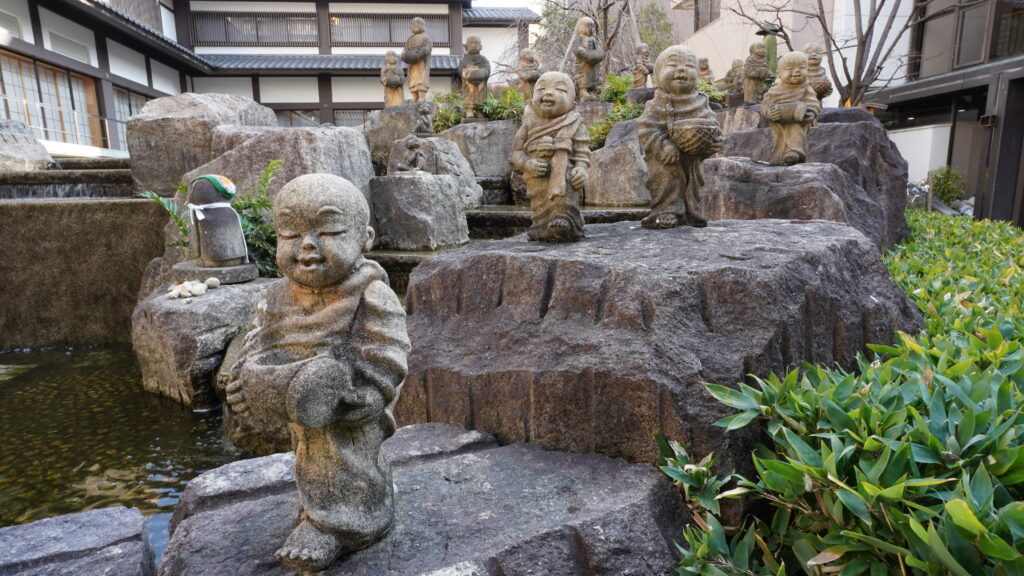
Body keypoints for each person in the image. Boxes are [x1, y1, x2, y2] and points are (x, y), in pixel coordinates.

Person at [224, 174, 409, 572]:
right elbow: (253, 343)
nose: (307, 245)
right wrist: (241, 379)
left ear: (365, 238)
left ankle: (340, 525)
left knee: (341, 454)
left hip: (347, 404)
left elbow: (389, 353)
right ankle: (319, 509)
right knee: (310, 452)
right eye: (290, 233)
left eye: (328, 231)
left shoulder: (370, 293)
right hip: (293, 391)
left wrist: (369, 392)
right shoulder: (275, 295)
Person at [639, 45, 721, 229]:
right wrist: (664, 144)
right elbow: (646, 130)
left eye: (689, 66)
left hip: (692, 159)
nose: (682, 70)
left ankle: (691, 210)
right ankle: (666, 210)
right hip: (665, 159)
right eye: (673, 65)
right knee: (666, 178)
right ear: (658, 73)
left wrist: (714, 143)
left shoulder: (701, 102)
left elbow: (712, 126)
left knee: (691, 182)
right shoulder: (656, 104)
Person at [510, 72, 590, 242]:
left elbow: (582, 152)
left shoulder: (574, 122)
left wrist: (581, 169)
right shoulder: (529, 124)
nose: (548, 93)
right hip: (536, 177)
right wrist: (527, 163)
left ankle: (565, 221)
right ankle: (541, 226)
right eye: (541, 88)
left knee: (565, 199)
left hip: (564, 175)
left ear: (573, 104)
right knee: (540, 206)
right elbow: (515, 154)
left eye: (559, 89)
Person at [761, 51, 821, 165]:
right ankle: (780, 155)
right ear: (779, 73)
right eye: (790, 68)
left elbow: (814, 103)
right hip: (779, 122)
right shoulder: (775, 90)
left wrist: (811, 113)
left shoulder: (807, 89)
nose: (797, 70)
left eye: (802, 67)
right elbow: (765, 104)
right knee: (779, 138)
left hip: (799, 121)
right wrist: (770, 112)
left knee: (796, 127)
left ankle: (794, 152)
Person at [459, 36, 491, 120]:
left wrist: (483, 73)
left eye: (476, 43)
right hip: (468, 83)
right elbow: (460, 69)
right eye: (471, 43)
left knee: (481, 96)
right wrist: (465, 73)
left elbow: (488, 69)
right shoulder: (464, 59)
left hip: (480, 83)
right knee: (468, 95)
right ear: (466, 46)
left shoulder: (483, 59)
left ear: (480, 46)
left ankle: (479, 111)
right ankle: (469, 110)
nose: (473, 45)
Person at [401, 17, 432, 102]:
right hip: (412, 64)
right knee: (412, 79)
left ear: (422, 26)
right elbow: (404, 51)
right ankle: (414, 96)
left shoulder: (426, 39)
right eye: (413, 24)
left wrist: (417, 55)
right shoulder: (409, 39)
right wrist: (404, 56)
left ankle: (421, 96)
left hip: (421, 63)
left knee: (421, 78)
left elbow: (427, 49)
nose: (415, 26)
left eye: (417, 24)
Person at [573, 17, 605, 102]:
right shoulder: (579, 38)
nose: (590, 29)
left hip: (594, 64)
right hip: (583, 64)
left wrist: (595, 55)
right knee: (584, 75)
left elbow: (600, 51)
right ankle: (583, 90)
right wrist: (587, 54)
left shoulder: (595, 39)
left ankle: (592, 91)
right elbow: (577, 50)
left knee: (595, 76)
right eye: (587, 26)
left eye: (592, 26)